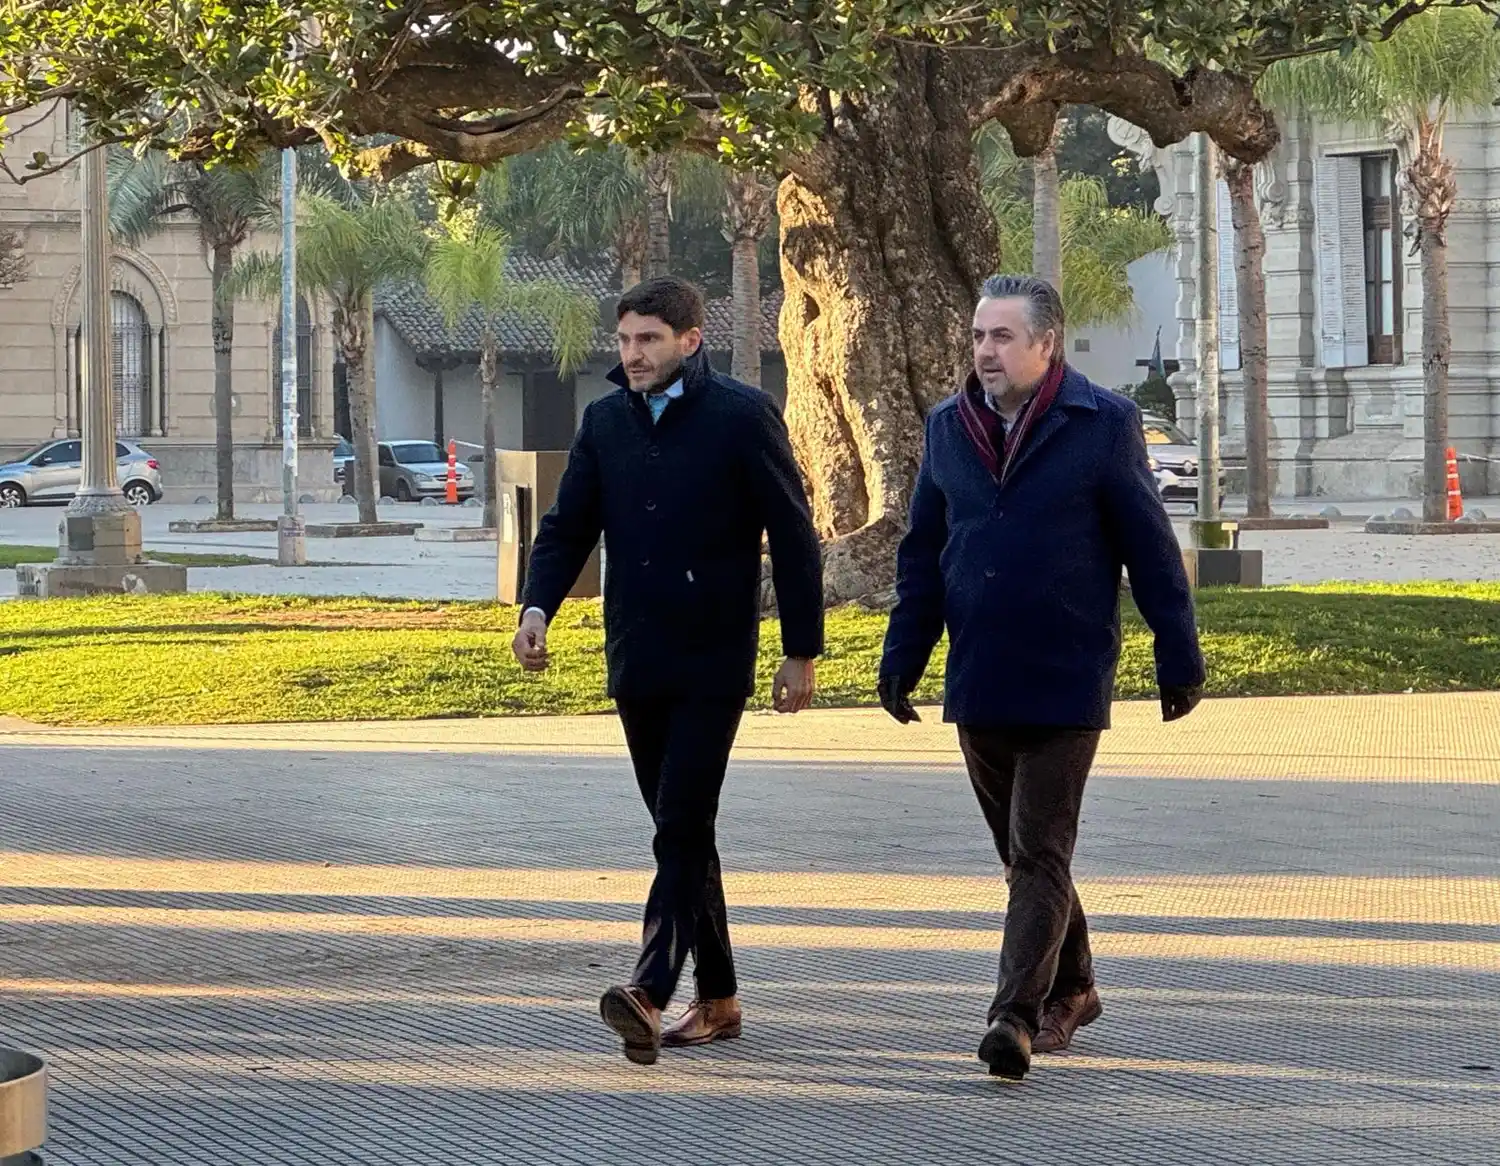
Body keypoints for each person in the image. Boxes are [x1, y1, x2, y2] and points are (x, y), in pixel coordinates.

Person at [877, 274, 1204, 1082]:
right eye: (979, 336)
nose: (985, 352)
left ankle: (1013, 1018)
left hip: (1067, 675)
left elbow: (1152, 552)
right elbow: (923, 554)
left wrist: (1178, 655)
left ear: (1046, 343)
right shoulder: (948, 427)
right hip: (980, 677)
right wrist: (902, 659)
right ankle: (1078, 984)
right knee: (1027, 855)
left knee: (1039, 854)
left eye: (1002, 337)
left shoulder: (1104, 424)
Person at [513, 275, 824, 1066]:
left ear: (690, 339)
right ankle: (718, 1001)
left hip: (713, 659)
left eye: (648, 340)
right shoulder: (605, 421)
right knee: (684, 833)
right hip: (637, 656)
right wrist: (536, 606)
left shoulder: (742, 417)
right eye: (624, 341)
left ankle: (648, 989)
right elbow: (566, 526)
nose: (632, 355)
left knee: (680, 826)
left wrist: (801, 650)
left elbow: (792, 538)